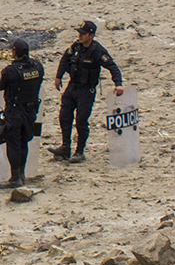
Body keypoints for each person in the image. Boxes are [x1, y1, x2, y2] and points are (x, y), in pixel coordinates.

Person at [50, 20, 124, 164]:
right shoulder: (76, 47)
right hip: (72, 87)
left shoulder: (98, 51)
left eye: (83, 34)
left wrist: (118, 84)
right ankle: (65, 147)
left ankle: (80, 151)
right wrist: (59, 76)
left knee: (81, 121)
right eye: (79, 33)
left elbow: (112, 67)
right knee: (64, 117)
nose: (80, 36)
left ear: (91, 35)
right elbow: (65, 58)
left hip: (86, 91)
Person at [0, 40, 44, 187]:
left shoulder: (10, 71)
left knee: (14, 144)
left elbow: (0, 85)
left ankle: (15, 177)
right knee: (24, 142)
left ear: (15, 52)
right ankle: (21, 173)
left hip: (15, 111)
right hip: (30, 111)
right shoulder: (37, 67)